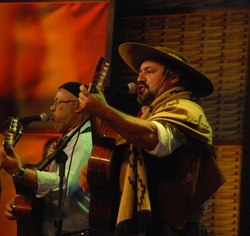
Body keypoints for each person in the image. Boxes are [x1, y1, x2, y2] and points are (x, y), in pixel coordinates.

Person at [78, 42, 226, 236]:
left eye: (149, 71)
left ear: (173, 77)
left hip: (176, 230)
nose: (139, 78)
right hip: (149, 227)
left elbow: (151, 137)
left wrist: (104, 111)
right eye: (139, 72)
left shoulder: (187, 109)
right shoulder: (147, 115)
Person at [0, 82, 93, 236]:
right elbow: (49, 193)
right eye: (53, 102)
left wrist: (19, 172)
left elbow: (64, 186)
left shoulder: (83, 140)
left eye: (58, 102)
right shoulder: (66, 140)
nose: (52, 108)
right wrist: (23, 201)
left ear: (78, 106)